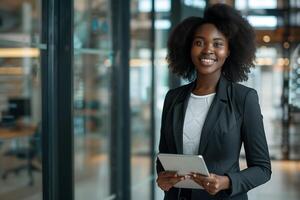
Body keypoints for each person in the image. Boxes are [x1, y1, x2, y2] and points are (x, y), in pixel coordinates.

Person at [156, 3, 272, 200]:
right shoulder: (173, 98)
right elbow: (164, 157)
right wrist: (162, 177)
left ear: (228, 51)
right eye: (199, 42)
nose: (207, 50)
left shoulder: (244, 98)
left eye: (217, 44)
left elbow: (262, 169)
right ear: (188, 47)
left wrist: (226, 182)